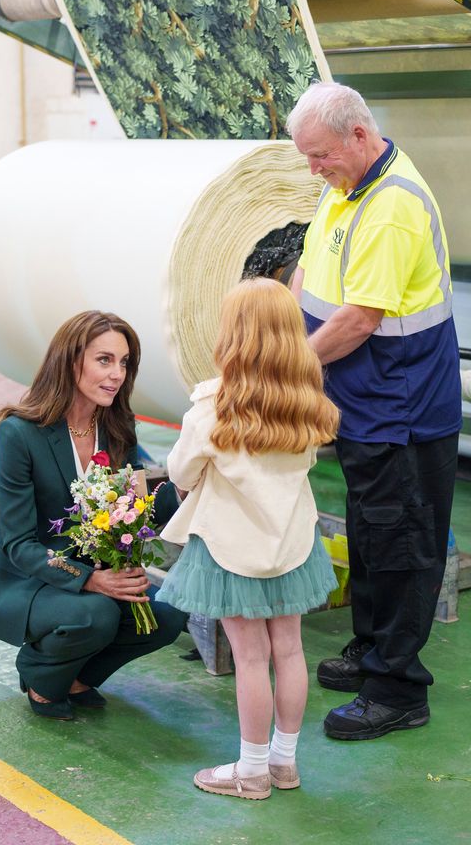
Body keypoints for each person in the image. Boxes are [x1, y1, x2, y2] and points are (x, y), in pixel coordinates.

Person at [287, 82, 462, 742]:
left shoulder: (391, 206)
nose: (314, 169)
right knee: (369, 530)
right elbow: (309, 272)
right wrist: (282, 328)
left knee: (402, 542)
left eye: (320, 155)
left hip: (402, 408)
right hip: (362, 402)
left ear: (359, 135)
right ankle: (371, 648)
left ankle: (397, 687)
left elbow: (360, 318)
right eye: (307, 157)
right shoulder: (345, 187)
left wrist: (287, 367)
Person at [155, 279, 339, 800]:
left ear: (232, 335)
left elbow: (181, 472)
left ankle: (251, 771)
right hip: (293, 544)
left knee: (251, 658)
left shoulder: (212, 408)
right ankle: (284, 763)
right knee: (291, 650)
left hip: (230, 547)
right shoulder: (308, 404)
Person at [0, 310, 186, 720]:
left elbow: (131, 510)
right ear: (71, 362)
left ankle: (76, 678)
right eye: (104, 360)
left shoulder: (118, 425)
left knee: (166, 616)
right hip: (28, 580)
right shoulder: (20, 433)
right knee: (98, 614)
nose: (117, 374)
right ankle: (38, 674)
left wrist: (182, 490)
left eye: (124, 362)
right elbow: (19, 544)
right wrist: (89, 579)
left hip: (92, 572)